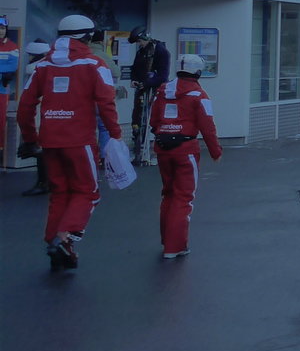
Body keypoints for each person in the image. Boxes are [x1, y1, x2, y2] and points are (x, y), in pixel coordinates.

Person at [16, 14, 122, 270]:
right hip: (80, 141)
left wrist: (31, 139)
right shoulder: (96, 65)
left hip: (49, 140)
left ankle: (56, 240)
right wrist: (115, 136)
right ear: (88, 36)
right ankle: (65, 237)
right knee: (88, 192)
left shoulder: (42, 66)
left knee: (60, 193)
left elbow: (25, 107)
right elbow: (106, 103)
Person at [149, 53, 222, 259]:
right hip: (186, 149)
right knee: (183, 198)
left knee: (169, 195)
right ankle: (175, 247)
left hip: (163, 147)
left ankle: (167, 241)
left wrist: (163, 131)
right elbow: (208, 126)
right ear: (198, 72)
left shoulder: (163, 91)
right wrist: (216, 151)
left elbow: (153, 120)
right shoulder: (199, 95)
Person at [128, 27, 170, 166]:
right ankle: (138, 151)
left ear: (145, 38)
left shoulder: (161, 51)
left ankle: (155, 150)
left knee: (155, 120)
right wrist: (134, 79)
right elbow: (134, 68)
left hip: (155, 90)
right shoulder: (141, 52)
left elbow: (163, 75)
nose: (139, 44)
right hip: (142, 89)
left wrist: (147, 83)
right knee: (137, 119)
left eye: (140, 41)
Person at [20, 40, 52, 196]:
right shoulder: (52, 67)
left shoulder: (35, 70)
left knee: (41, 149)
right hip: (54, 113)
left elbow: (27, 102)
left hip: (39, 113)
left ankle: (43, 182)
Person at [0, 15, 20, 162]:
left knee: (0, 120)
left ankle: (0, 149)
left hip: (2, 89)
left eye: (2, 28)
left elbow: (13, 66)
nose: (1, 31)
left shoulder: (12, 46)